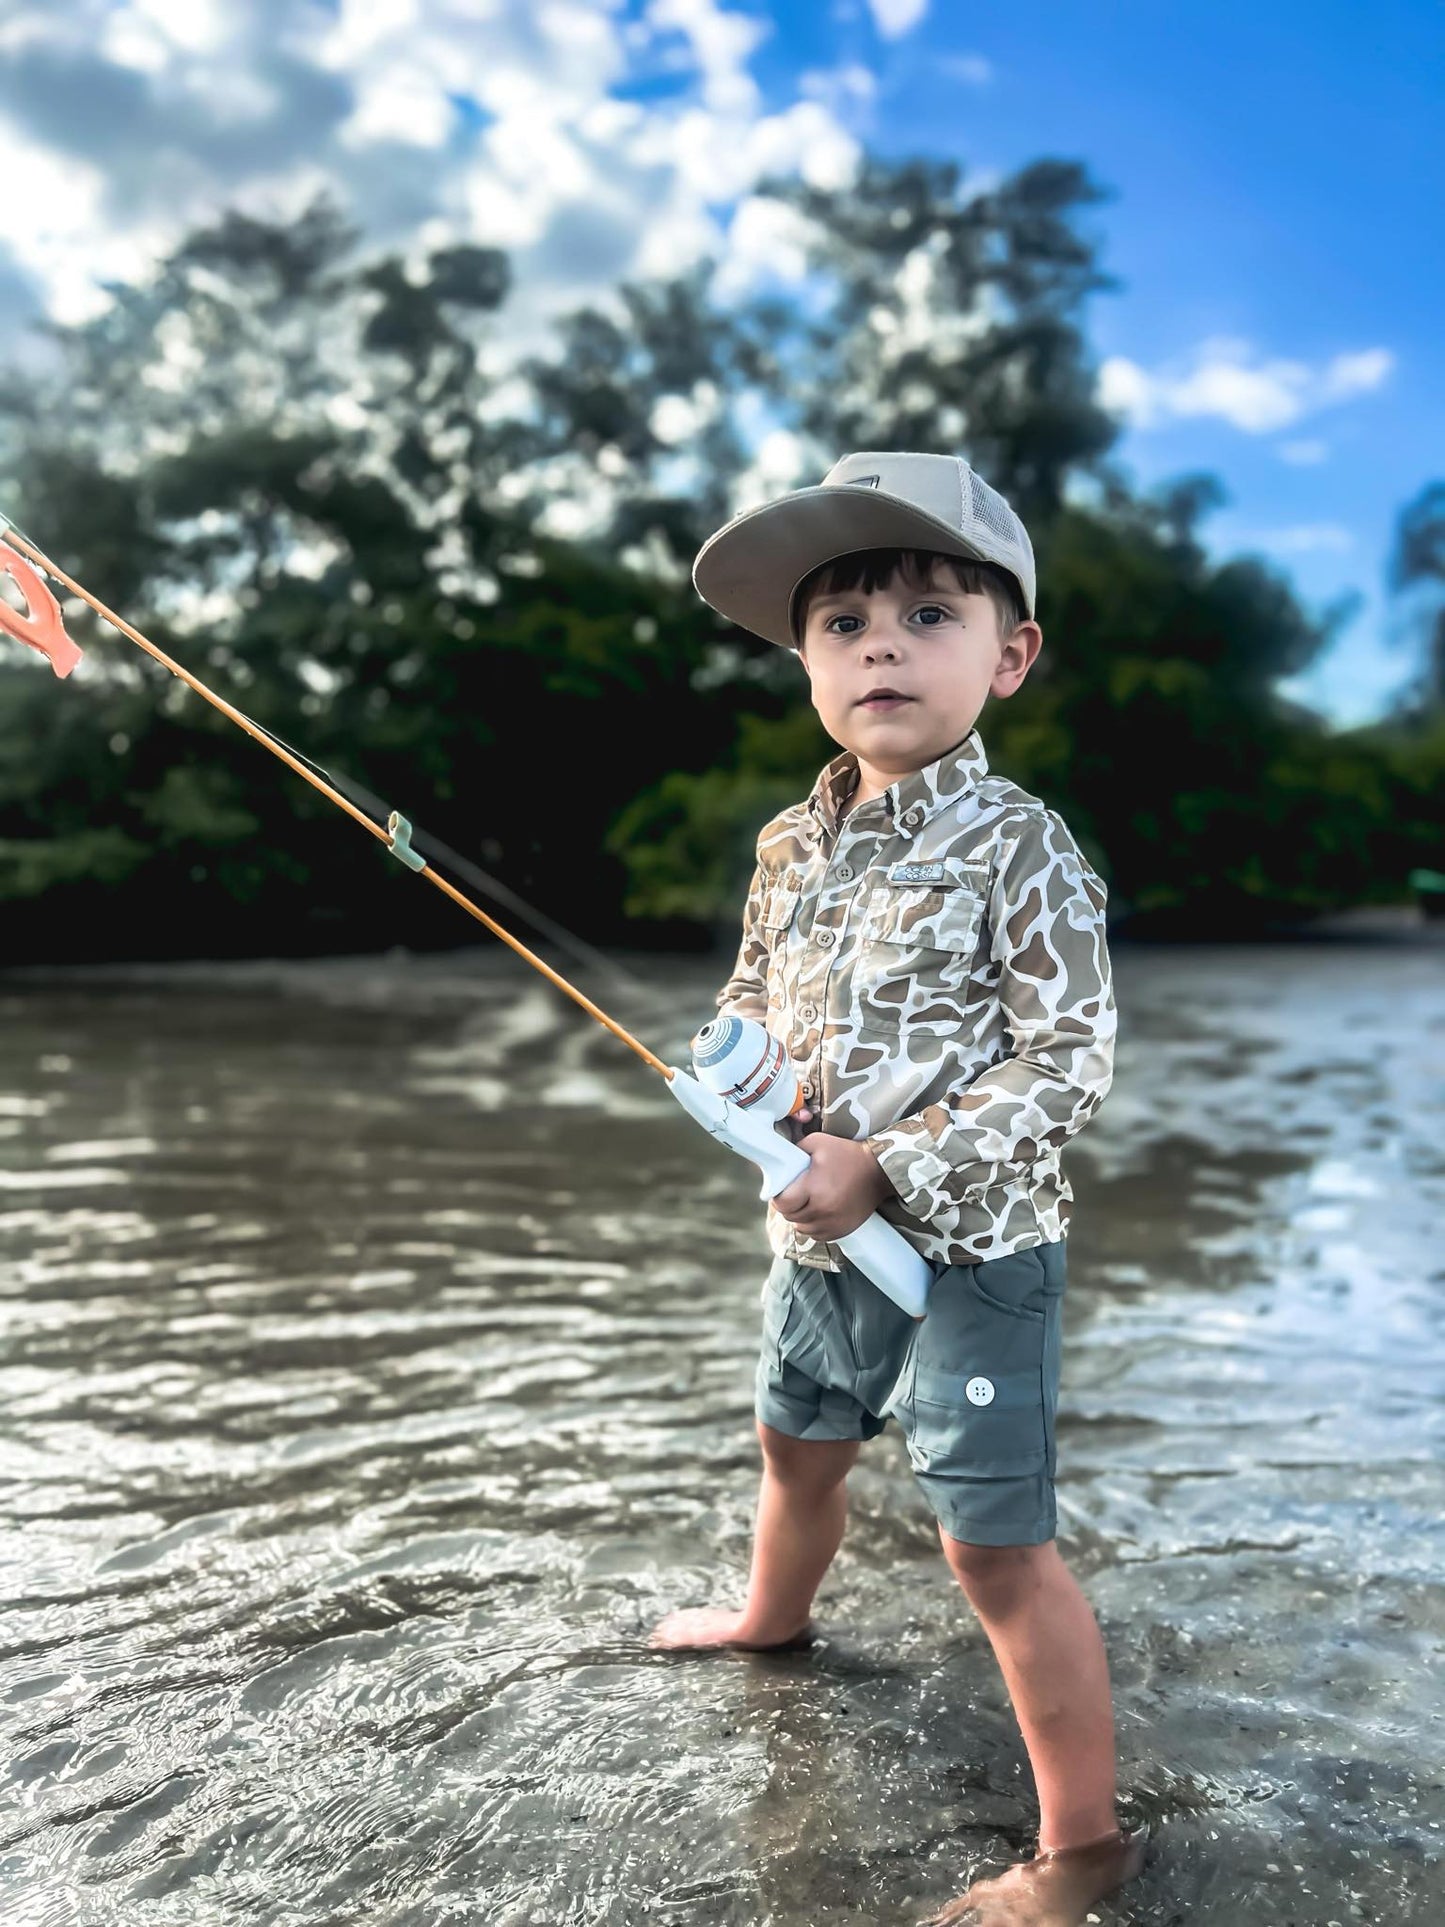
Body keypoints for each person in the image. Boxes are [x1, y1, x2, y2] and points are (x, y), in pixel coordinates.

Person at [649, 452, 1145, 1925]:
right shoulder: (786, 843)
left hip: (974, 1255)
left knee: (989, 1543)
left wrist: (891, 1163)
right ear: (804, 661)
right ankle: (768, 1618)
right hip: (812, 1246)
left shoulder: (1022, 844)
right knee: (792, 1443)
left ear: (1011, 656)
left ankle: (1079, 1853)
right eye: (843, 620)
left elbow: (1071, 1060)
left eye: (931, 612)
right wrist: (738, 1077)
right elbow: (755, 991)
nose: (882, 643)